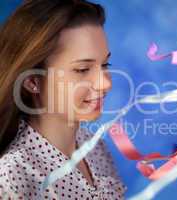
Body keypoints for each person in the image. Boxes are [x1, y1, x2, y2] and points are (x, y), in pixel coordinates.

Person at [0, 0, 126, 199]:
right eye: (82, 70)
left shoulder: (95, 147)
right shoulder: (13, 177)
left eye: (105, 64)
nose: (105, 83)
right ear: (32, 81)